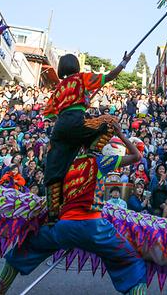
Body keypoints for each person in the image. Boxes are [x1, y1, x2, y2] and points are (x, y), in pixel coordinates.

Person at [0, 123, 147, 295]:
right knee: (132, 262)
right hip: (94, 227)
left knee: (20, 252)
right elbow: (136, 155)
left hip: (62, 227)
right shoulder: (102, 161)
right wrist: (120, 133)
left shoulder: (68, 164)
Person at [42, 52, 132, 221]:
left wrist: (66, 117)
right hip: (77, 121)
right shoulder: (81, 78)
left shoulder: (59, 87)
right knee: (109, 122)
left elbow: (48, 114)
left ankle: (52, 214)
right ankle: (92, 152)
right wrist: (123, 62)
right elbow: (110, 76)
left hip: (60, 127)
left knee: (56, 166)